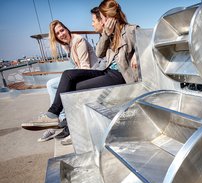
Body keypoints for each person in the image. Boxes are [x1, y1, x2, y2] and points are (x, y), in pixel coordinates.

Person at [22, 0, 139, 133]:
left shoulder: (131, 30)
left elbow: (149, 45)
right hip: (106, 70)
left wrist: (137, 54)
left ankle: (70, 127)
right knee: (67, 75)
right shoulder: (110, 34)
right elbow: (99, 53)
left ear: (110, 17)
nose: (95, 22)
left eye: (100, 17)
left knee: (72, 88)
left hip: (119, 76)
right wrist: (106, 34)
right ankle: (52, 115)